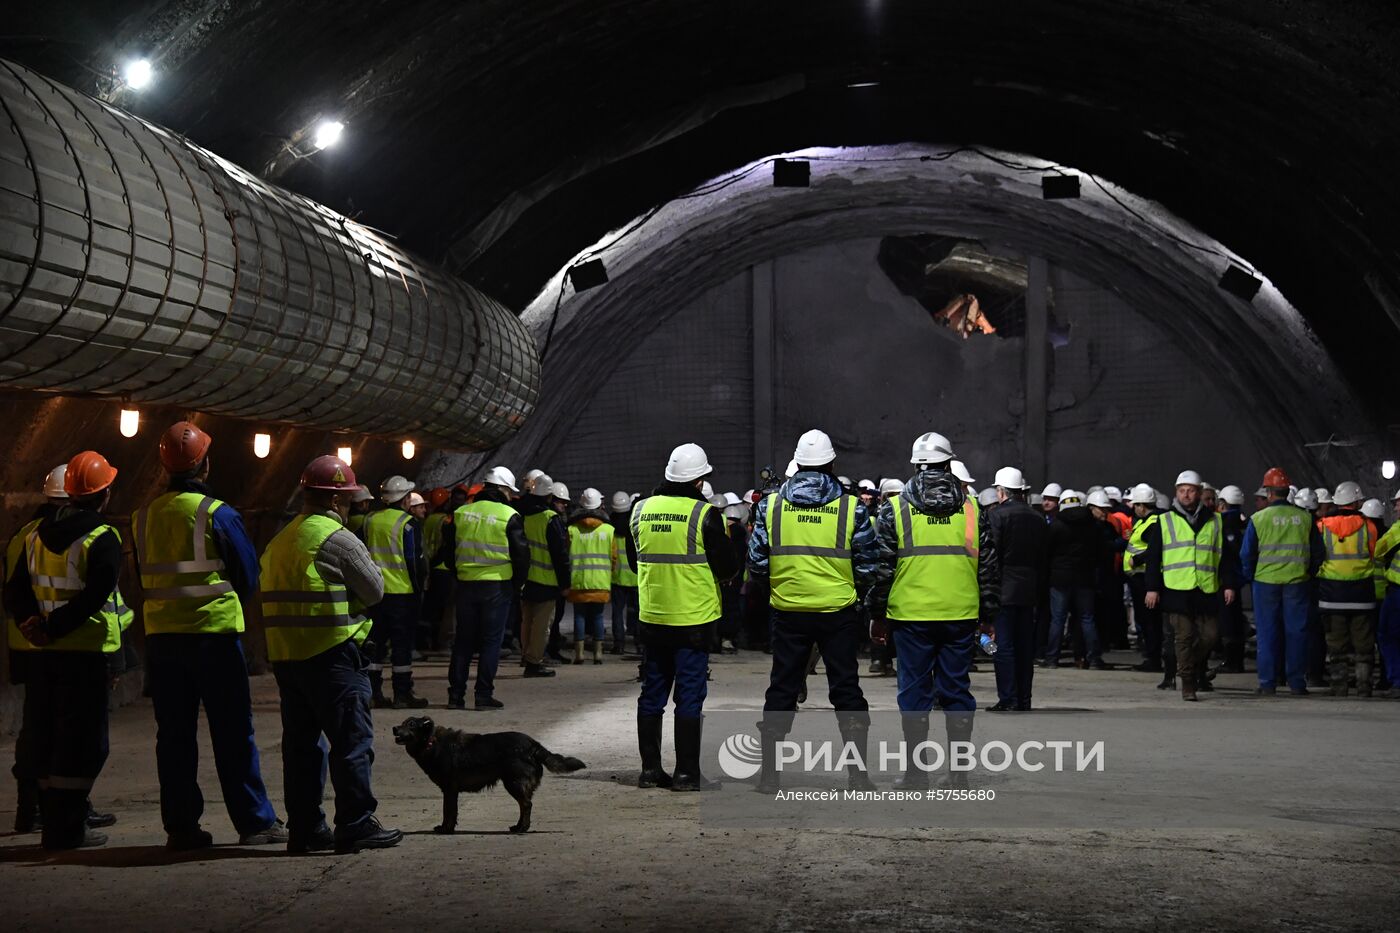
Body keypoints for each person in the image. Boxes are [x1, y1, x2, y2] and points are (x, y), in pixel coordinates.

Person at [132, 422, 284, 849]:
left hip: (163, 641)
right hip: (213, 639)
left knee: (174, 737)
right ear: (205, 464)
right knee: (233, 733)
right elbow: (247, 575)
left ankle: (181, 828)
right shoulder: (218, 514)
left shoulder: (141, 517)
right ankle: (255, 823)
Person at [260, 455, 401, 854]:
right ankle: (355, 823)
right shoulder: (336, 538)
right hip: (333, 654)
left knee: (301, 748)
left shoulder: (280, 539)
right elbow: (374, 590)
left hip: (288, 658)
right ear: (339, 500)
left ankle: (305, 830)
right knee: (351, 742)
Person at [2, 452, 131, 849]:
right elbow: (96, 596)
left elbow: (15, 589)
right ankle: (68, 828)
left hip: (43, 655)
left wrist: (33, 626)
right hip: (85, 652)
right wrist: (56, 628)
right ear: (104, 494)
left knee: (47, 737)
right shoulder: (103, 537)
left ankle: (56, 824)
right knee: (85, 743)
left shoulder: (35, 534)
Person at [747, 429, 880, 793]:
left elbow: (757, 563)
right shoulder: (851, 507)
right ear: (832, 464)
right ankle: (857, 776)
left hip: (789, 610)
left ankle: (769, 777)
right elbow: (868, 566)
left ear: (798, 464)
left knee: (782, 689)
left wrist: (783, 585)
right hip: (838, 611)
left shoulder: (771, 505)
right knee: (846, 689)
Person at [870, 432, 1000, 790]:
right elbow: (988, 566)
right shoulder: (972, 508)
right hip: (960, 613)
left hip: (911, 615)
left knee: (913, 694)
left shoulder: (895, 508)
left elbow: (883, 568)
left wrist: (877, 614)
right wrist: (989, 615)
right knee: (957, 691)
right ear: (948, 463)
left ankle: (916, 774)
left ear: (915, 464)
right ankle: (958, 775)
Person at [628, 443, 740, 791]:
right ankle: (687, 774)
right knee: (689, 697)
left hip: (653, 617)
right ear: (698, 482)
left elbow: (636, 562)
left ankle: (649, 772)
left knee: (652, 694)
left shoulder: (639, 510)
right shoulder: (705, 515)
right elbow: (726, 566)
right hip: (693, 619)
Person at [1142, 470, 1238, 701]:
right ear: (1176, 492)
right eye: (1182, 490)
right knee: (1183, 638)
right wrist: (1152, 588)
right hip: (1176, 588)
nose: (1186, 495)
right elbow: (1153, 557)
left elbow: (1225, 555)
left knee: (1210, 636)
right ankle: (1187, 683)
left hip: (1206, 588)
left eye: (1191, 491)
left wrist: (1229, 584)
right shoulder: (1165, 520)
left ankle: (1188, 668)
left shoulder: (1215, 520)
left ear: (1199, 493)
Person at [442, 466, 530, 709]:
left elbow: (448, 551)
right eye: (510, 492)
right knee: (491, 642)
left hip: (466, 585)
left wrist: (459, 572)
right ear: (502, 488)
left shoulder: (461, 513)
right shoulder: (509, 515)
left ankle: (455, 696)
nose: (511, 496)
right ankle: (482, 695)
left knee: (463, 641)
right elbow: (521, 555)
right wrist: (516, 584)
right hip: (497, 586)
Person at [1238, 468, 1322, 696]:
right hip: (1297, 582)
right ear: (1287, 491)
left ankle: (1267, 683)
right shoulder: (1305, 518)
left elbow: (1247, 555)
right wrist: (1307, 573)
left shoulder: (1258, 519)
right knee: (1297, 633)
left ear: (1268, 491)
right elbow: (1318, 553)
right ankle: (1297, 683)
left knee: (1267, 634)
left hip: (1265, 583)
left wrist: (1251, 576)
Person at [360, 475, 429, 709]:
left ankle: (372, 692)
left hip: (376, 593)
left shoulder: (370, 520)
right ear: (406, 499)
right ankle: (402, 694)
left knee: (376, 643)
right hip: (402, 593)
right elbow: (414, 561)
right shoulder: (408, 524)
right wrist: (419, 588)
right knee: (401, 645)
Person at [987, 467, 1047, 711]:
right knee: (1024, 647)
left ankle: (1008, 698)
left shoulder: (997, 515)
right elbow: (1044, 557)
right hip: (1029, 589)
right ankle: (1024, 699)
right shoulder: (1038, 517)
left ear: (1001, 491)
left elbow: (992, 554)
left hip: (1004, 589)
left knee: (1004, 646)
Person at [1316, 481, 1378, 696]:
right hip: (1362, 593)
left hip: (1332, 595)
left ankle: (1339, 686)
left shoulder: (1322, 527)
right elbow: (1373, 554)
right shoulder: (1369, 527)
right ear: (1357, 501)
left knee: (1336, 645)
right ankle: (1364, 686)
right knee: (1364, 645)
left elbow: (1317, 556)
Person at [1044, 491, 1105, 669]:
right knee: (1087, 618)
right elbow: (1099, 552)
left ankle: (1051, 659)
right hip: (1085, 578)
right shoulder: (1092, 526)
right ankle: (1093, 658)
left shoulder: (1056, 525)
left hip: (1060, 579)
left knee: (1057, 619)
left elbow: (1047, 551)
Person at [519, 473, 570, 677]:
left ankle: (526, 655)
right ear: (549, 496)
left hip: (526, 580)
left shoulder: (522, 515)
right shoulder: (550, 519)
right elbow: (560, 554)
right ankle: (534, 662)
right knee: (541, 625)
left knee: (526, 621)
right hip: (546, 581)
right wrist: (565, 582)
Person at [566, 488, 614, 665]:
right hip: (600, 582)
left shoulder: (572, 529)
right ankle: (598, 654)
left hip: (578, 581)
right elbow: (614, 557)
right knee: (598, 617)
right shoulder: (609, 530)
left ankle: (579, 654)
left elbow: (565, 555)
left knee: (579, 616)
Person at [1123, 484, 1165, 677]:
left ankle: (1154, 658)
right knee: (1148, 620)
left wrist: (1137, 559)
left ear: (1141, 505)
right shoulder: (1147, 521)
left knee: (1149, 620)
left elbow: (1156, 550)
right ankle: (1152, 656)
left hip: (1145, 578)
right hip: (1141, 578)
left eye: (1135, 505)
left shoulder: (1153, 523)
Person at [867, 478, 904, 677]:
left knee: (884, 620)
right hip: (886, 573)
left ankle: (883, 658)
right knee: (881, 620)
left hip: (890, 573)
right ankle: (880, 658)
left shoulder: (897, 515)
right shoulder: (877, 517)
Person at [1088, 489, 1131, 652]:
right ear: (1092, 508)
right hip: (1096, 575)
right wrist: (1123, 541)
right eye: (1102, 509)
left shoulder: (1106, 526)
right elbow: (1106, 547)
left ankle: (1105, 641)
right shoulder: (1093, 529)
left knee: (1106, 611)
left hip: (1107, 574)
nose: (1105, 513)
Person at [1215, 484, 1250, 672]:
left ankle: (1231, 661)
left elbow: (1226, 553)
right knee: (1235, 618)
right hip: (1240, 578)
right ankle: (1237, 660)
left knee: (1227, 621)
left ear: (1222, 503)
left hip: (1226, 579)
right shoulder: (1245, 523)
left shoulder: (1223, 523)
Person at [419, 488, 455, 652]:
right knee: (446, 608)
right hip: (443, 567)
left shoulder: (427, 520)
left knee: (430, 607)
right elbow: (446, 543)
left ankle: (426, 640)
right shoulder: (446, 520)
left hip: (430, 566)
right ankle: (442, 643)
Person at [1373, 490, 1400, 698]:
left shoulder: (1397, 530)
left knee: (1387, 635)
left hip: (1397, 592)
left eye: (1398, 504)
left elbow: (1379, 550)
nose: (1396, 507)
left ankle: (1397, 680)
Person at [608, 491, 639, 654]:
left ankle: (618, 644)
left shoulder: (609, 526)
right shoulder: (635, 525)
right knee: (639, 613)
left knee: (617, 612)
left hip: (617, 577)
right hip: (635, 577)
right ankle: (640, 644)